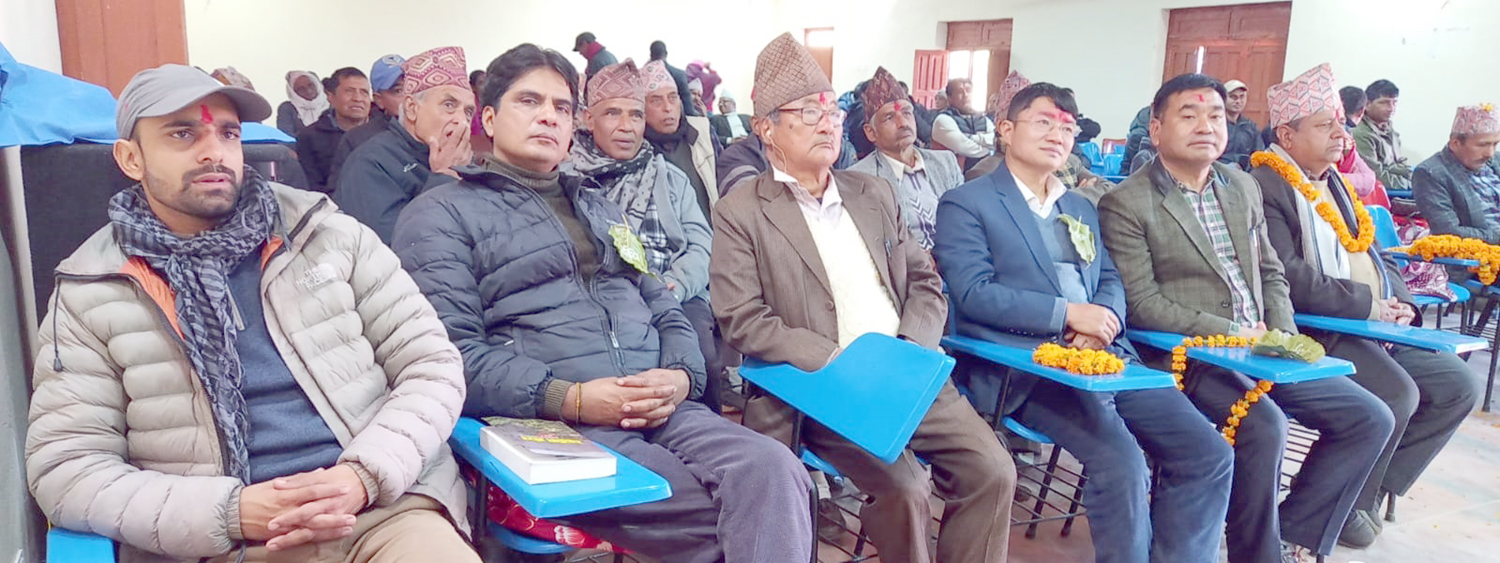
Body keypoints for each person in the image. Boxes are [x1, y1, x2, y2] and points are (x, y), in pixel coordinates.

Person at [27, 63, 477, 563]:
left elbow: (432, 365)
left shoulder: (324, 234)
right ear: (131, 158)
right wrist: (231, 513)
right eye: (182, 134)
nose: (214, 152)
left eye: (228, 133)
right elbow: (67, 468)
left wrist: (363, 476)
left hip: (381, 512)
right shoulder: (93, 285)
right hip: (217, 543)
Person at [392, 44, 813, 561]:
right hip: (553, 423)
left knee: (778, 471)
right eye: (529, 101)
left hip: (658, 405)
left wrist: (681, 377)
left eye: (561, 107)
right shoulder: (439, 215)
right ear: (490, 118)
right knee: (748, 515)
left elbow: (663, 305)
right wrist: (572, 398)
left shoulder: (599, 207)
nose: (548, 116)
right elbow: (451, 356)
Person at [711, 32, 1015, 563]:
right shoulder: (742, 210)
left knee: (994, 472)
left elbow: (925, 282)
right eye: (808, 112)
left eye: (831, 110)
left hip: (907, 369)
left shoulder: (871, 192)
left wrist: (912, 346)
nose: (827, 123)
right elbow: (742, 318)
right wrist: (835, 359)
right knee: (906, 489)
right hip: (825, 384)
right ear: (766, 128)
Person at [1097, 73, 1394, 563]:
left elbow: (1272, 273)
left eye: (1215, 116)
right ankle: (1256, 554)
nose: (1206, 126)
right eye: (1189, 115)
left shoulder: (1241, 186)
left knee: (1370, 416)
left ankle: (1292, 531)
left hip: (1264, 347)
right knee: (1264, 425)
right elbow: (1143, 303)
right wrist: (1233, 334)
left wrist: (1284, 337)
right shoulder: (1127, 202)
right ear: (1156, 129)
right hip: (1191, 355)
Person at [935, 80, 1232, 563]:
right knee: (1122, 462)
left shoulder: (1078, 205)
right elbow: (973, 293)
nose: (1058, 135)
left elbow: (1110, 277)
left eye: (1068, 128)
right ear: (1006, 130)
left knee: (1208, 452)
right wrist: (1068, 314)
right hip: (1030, 368)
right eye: (1044, 123)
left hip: (1106, 356)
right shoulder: (968, 202)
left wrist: (1105, 318)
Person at [1252, 63, 1479, 549]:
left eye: (1340, 122)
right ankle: (1312, 515)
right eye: (1325, 125)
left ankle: (1360, 494)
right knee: (1397, 394)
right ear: (1287, 136)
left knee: (1457, 385)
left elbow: (1376, 253)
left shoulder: (1334, 181)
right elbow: (1289, 276)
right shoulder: (1265, 185)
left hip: (1374, 323)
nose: (1341, 134)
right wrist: (1371, 307)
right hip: (1320, 326)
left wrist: (1401, 301)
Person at [560, 59, 723, 412]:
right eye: (612, 113)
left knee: (702, 358)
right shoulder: (566, 179)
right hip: (600, 296)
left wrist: (675, 285)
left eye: (635, 115)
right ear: (588, 119)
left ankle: (703, 427)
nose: (626, 126)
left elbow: (701, 244)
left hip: (674, 291)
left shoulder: (670, 177)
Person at [335, 47, 473, 244]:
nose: (462, 121)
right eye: (449, 105)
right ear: (411, 108)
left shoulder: (465, 159)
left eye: (468, 111)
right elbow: (396, 245)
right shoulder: (370, 163)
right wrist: (445, 175)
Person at [849, 67, 963, 250]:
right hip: (904, 265)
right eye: (889, 117)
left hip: (954, 258)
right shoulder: (860, 178)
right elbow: (874, 243)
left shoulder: (945, 163)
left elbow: (965, 220)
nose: (903, 123)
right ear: (870, 132)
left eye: (907, 113)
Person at [1412, 104, 1500, 246]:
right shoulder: (1431, 173)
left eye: (1495, 144)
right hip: (1477, 254)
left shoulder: (1496, 161)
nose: (1490, 153)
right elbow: (1448, 232)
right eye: (1482, 145)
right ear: (1455, 143)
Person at [642, 60, 719, 216]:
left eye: (672, 98)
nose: (667, 108)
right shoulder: (636, 149)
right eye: (656, 100)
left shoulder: (701, 132)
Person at [327, 55, 406, 195]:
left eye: (412, 88)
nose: (408, 97)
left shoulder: (438, 128)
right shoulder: (357, 140)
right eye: (398, 91)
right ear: (379, 100)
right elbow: (342, 192)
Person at [296, 67, 371, 193]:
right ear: (330, 96)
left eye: (364, 92)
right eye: (349, 91)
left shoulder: (384, 131)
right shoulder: (309, 137)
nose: (358, 98)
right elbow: (312, 188)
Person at [1353, 79, 1411, 192]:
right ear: (1367, 105)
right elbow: (1377, 176)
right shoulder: (1361, 134)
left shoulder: (1389, 130)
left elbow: (1402, 164)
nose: (1391, 108)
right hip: (1379, 193)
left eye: (1394, 102)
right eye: (1384, 103)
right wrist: (1410, 183)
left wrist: (1414, 177)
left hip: (1398, 188)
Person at [1336, 86, 1388, 205]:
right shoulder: (1357, 134)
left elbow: (1369, 178)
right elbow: (1371, 178)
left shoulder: (1390, 132)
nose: (1338, 131)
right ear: (1362, 111)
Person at [932, 78, 996, 170]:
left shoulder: (983, 120)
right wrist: (988, 150)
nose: (965, 95)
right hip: (949, 174)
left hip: (981, 172)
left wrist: (972, 138)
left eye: (968, 91)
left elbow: (995, 140)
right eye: (960, 92)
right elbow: (964, 148)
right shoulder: (942, 120)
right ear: (949, 98)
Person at [1221, 79, 1265, 169]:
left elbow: (1258, 154)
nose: (1238, 101)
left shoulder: (1250, 127)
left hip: (1244, 172)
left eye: (1242, 97)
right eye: (1233, 97)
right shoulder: (1216, 124)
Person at [647, 41, 698, 117]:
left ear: (651, 55)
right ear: (666, 53)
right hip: (674, 120)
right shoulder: (679, 75)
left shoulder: (642, 75)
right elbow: (689, 109)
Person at [276, 70, 327, 136]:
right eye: (301, 89)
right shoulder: (288, 108)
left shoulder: (331, 102)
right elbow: (286, 137)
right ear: (293, 92)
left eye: (310, 85)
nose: (308, 90)